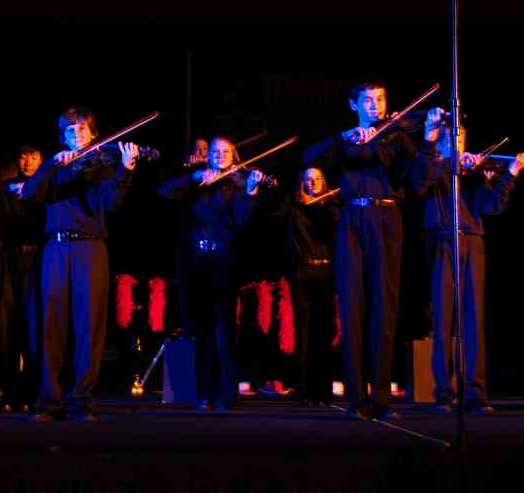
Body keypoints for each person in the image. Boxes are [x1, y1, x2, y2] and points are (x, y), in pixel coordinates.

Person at [302, 82, 427, 420]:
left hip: (386, 218)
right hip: (350, 220)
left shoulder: (397, 138)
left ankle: (382, 399)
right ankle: (356, 400)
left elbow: (418, 179)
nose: (376, 105)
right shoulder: (347, 141)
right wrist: (345, 136)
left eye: (381, 99)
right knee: (352, 307)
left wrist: (426, 139)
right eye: (368, 100)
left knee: (384, 310)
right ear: (354, 104)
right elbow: (309, 156)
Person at [20, 107, 140, 422]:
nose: (77, 136)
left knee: (89, 326)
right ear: (63, 136)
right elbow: (30, 195)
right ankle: (48, 401)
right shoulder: (53, 165)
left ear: (93, 134)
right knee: (51, 327)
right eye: (71, 131)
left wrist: (125, 170)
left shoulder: (101, 166)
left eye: (83, 130)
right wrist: (49, 166)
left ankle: (80, 401)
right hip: (56, 250)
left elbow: (108, 203)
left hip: (90, 247)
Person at [411, 111, 524, 414]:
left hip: (472, 242)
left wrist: (509, 174)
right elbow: (419, 184)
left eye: (462, 138)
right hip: (441, 241)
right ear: (441, 139)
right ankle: (443, 393)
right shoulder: (430, 165)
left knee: (473, 320)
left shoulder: (474, 171)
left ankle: (475, 394)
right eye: (453, 137)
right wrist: (450, 165)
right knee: (442, 320)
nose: (459, 143)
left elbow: (490, 208)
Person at [158, 137, 266, 411]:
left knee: (224, 330)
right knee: (202, 330)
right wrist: (194, 176)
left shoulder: (237, 184)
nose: (220, 155)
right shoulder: (196, 181)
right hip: (196, 261)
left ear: (234, 156)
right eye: (215, 152)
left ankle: (227, 395)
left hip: (224, 260)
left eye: (225, 152)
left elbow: (240, 222)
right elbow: (164, 192)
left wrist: (251, 193)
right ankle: (205, 392)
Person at [274, 167, 340, 406]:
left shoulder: (331, 207)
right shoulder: (293, 208)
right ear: (302, 183)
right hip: (302, 273)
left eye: (318, 179)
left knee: (325, 331)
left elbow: (336, 225)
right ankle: (303, 388)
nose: (313, 183)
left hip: (327, 272)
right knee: (304, 331)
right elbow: (275, 217)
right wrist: (295, 201)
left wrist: (328, 205)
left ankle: (323, 389)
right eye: (308, 180)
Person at [0, 144, 46, 414]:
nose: (27, 162)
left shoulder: (48, 187)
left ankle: (30, 391)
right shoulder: (7, 187)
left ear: (42, 160)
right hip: (9, 259)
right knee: (6, 324)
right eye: (23, 157)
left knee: (34, 326)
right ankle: (8, 391)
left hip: (37, 259)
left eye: (34, 157)